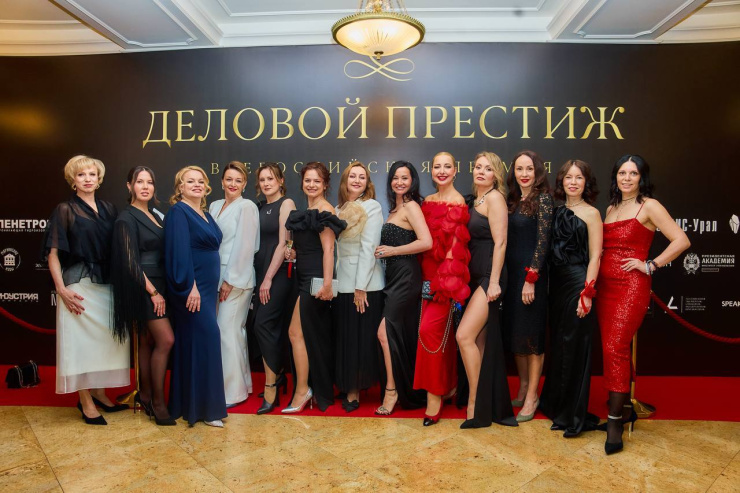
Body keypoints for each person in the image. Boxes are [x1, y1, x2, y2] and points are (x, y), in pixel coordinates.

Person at [597, 154, 689, 454]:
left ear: (641, 178)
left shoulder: (649, 205)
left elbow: (681, 240)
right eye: (622, 173)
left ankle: (614, 422)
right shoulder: (611, 208)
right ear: (615, 176)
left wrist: (650, 265)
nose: (626, 178)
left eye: (633, 173)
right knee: (613, 349)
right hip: (605, 289)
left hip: (631, 288)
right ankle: (624, 409)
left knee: (615, 348)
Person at [42, 155, 129, 425]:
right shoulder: (65, 210)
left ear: (99, 179)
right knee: (80, 345)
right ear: (73, 180)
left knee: (106, 343)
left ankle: (100, 393)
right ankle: (85, 401)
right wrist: (61, 290)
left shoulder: (109, 209)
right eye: (81, 175)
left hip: (107, 285)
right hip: (78, 285)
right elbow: (53, 254)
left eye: (92, 174)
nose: (87, 179)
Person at [538, 160, 602, 437]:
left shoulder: (592, 213)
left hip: (578, 282)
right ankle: (556, 407)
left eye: (579, 178)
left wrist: (587, 293)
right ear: (561, 181)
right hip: (556, 285)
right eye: (568, 177)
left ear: (586, 183)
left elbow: (595, 256)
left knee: (575, 346)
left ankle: (572, 414)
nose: (573, 182)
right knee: (559, 345)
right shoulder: (554, 211)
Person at [111, 166, 175, 426]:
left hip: (161, 282)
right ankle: (158, 403)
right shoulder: (126, 218)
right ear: (130, 186)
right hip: (145, 286)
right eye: (140, 182)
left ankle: (146, 395)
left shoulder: (156, 214)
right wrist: (153, 292)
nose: (145, 187)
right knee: (166, 340)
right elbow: (130, 262)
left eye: (149, 182)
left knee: (148, 342)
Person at [457, 151, 516, 429]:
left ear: (496, 175)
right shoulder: (474, 200)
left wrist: (493, 282)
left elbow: (501, 242)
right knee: (479, 343)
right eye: (478, 167)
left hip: (490, 277)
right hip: (474, 276)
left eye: (488, 168)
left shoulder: (495, 199)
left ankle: (475, 404)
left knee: (464, 336)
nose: (481, 171)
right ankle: (486, 404)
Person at [165, 166, 227, 427]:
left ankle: (190, 404)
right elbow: (178, 251)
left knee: (194, 343)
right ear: (180, 187)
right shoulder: (178, 212)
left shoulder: (205, 213)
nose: (197, 185)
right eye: (190, 181)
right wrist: (190, 286)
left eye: (200, 181)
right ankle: (208, 409)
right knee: (209, 338)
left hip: (207, 289)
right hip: (192, 288)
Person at [283, 162, 346, 413]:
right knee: (309, 336)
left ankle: (303, 391)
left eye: (317, 181)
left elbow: (329, 250)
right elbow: (310, 247)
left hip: (316, 282)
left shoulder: (325, 210)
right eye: (307, 180)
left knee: (295, 333)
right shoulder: (308, 210)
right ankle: (313, 388)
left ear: (325, 184)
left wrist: (328, 284)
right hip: (303, 277)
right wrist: (293, 253)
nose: (311, 185)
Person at [414, 151, 471, 426]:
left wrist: (442, 284)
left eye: (447, 166)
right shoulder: (427, 201)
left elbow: (454, 250)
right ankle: (448, 387)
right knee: (440, 338)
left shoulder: (458, 202)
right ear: (432, 170)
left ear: (456, 170)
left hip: (444, 280)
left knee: (430, 332)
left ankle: (433, 399)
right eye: (437, 166)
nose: (442, 171)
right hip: (422, 275)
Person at [374, 161, 431, 415]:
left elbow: (426, 242)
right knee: (396, 334)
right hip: (393, 277)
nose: (399, 182)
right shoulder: (393, 210)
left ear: (412, 181)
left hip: (407, 277)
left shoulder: (411, 206)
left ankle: (392, 390)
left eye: (404, 178)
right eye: (395, 178)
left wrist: (392, 251)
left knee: (384, 333)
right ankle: (405, 387)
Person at [503, 150, 553, 423]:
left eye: (529, 169)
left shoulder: (543, 199)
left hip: (531, 278)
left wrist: (531, 279)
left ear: (538, 172)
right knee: (517, 336)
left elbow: (543, 243)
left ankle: (533, 395)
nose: (524, 174)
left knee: (532, 338)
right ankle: (522, 387)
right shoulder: (511, 200)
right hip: (511, 278)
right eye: (519, 169)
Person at [334, 162, 385, 412]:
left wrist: (360, 287)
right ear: (345, 181)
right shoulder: (337, 209)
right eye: (352, 176)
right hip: (341, 283)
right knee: (346, 338)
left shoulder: (372, 206)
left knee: (359, 340)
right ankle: (346, 384)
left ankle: (354, 391)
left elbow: (369, 247)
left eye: (361, 177)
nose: (356, 180)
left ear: (367, 183)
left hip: (364, 285)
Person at [209, 161, 259, 407]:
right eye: (229, 179)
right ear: (221, 181)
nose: (233, 184)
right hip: (214, 276)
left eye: (238, 180)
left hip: (237, 279)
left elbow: (246, 246)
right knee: (232, 333)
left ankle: (232, 393)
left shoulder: (247, 206)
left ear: (245, 184)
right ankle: (241, 384)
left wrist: (230, 279)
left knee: (227, 331)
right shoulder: (214, 205)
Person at [252, 163, 296, 414]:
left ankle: (271, 385)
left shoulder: (286, 204)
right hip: (260, 273)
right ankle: (278, 374)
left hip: (277, 274)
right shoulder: (259, 207)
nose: (267, 183)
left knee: (263, 324)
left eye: (271, 178)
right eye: (263, 179)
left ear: (280, 181)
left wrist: (268, 278)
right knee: (265, 326)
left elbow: (284, 243)